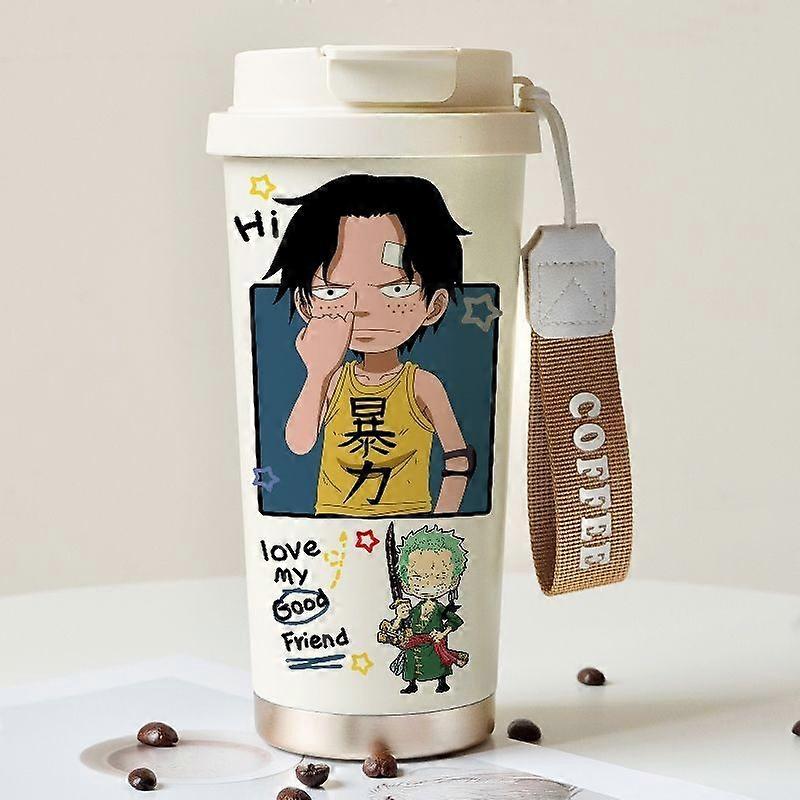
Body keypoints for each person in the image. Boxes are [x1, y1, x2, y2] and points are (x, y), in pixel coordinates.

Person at [265, 174, 476, 517]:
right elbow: (299, 444)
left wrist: (439, 525)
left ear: (434, 306)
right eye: (332, 291)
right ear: (306, 305)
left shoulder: (422, 385)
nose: (361, 309)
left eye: (396, 289)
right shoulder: (331, 380)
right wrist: (317, 373)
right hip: (332, 523)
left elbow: (458, 457)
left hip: (411, 524)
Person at [383, 525, 469, 694]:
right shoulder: (414, 609)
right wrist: (399, 617)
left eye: (439, 577)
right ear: (406, 584)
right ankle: (412, 684)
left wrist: (442, 633)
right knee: (412, 664)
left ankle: (442, 682)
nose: (428, 583)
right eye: (417, 577)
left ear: (453, 581)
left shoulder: (439, 608)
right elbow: (400, 625)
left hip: (433, 643)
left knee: (438, 663)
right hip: (415, 643)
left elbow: (455, 620)